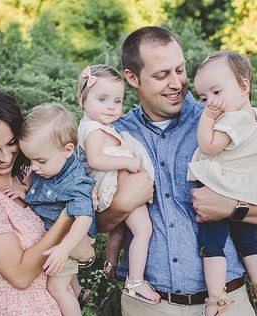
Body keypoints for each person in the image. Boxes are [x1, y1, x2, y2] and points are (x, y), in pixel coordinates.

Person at [95, 26, 257, 315]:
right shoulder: (112, 136)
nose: (176, 82)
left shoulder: (224, 122)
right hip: (148, 305)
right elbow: (90, 221)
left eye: (180, 70)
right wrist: (123, 203)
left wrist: (231, 207)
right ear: (132, 77)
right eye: (162, 75)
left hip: (227, 302)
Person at [0, 85, 92, 315]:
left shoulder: (31, 173)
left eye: (11, 143)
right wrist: (66, 218)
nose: (5, 157)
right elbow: (20, 276)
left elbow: (86, 249)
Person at [187, 51, 257, 315]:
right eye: (204, 98)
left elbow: (209, 147)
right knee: (248, 240)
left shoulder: (229, 121)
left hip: (223, 188)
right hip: (249, 188)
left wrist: (207, 118)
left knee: (212, 244)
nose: (211, 102)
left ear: (243, 86)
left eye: (217, 92)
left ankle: (215, 296)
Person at [76, 64, 160, 304]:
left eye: (117, 101)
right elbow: (95, 159)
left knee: (120, 229)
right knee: (144, 230)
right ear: (82, 100)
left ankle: (110, 264)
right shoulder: (94, 131)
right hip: (114, 189)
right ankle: (135, 280)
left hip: (113, 189)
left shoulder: (95, 126)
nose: (111, 106)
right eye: (102, 99)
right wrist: (129, 161)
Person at [18, 103, 97, 316]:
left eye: (40, 160)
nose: (34, 167)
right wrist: (23, 187)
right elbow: (33, 176)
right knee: (64, 279)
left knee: (56, 287)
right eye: (30, 160)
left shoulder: (75, 181)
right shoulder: (48, 166)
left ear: (67, 150)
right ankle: (79, 291)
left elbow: (84, 219)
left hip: (73, 238)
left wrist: (64, 249)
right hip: (61, 234)